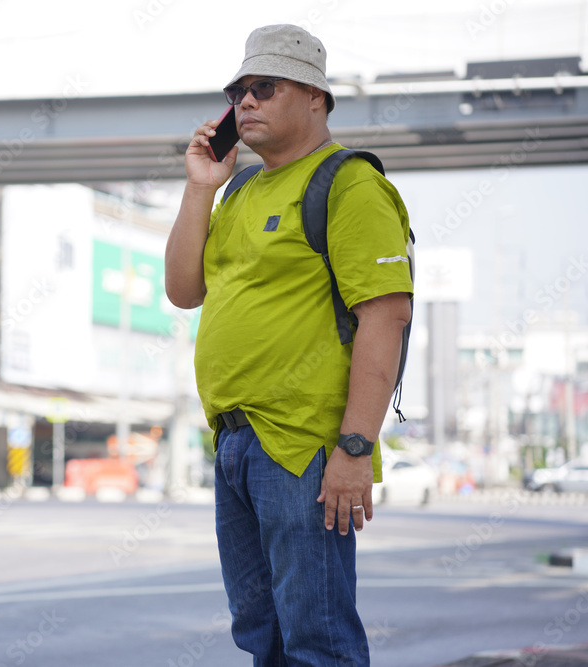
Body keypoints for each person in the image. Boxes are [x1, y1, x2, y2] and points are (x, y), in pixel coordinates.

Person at [164, 24, 413, 666]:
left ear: (315, 97)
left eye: (265, 87)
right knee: (262, 635)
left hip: (304, 447)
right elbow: (183, 290)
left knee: (316, 638)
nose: (246, 101)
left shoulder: (348, 183)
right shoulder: (239, 188)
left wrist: (355, 447)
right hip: (235, 442)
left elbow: (386, 316)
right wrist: (201, 186)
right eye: (238, 91)